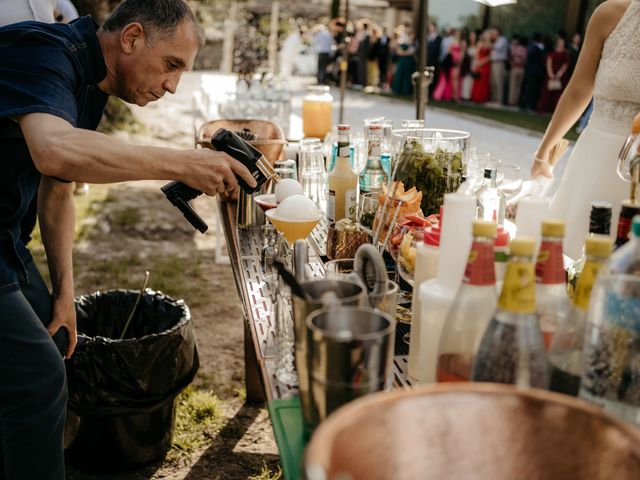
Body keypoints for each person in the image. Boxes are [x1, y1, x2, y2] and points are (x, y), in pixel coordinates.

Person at [0, 1, 257, 478]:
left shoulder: (90, 84)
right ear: (133, 37)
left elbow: (58, 193)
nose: (173, 85)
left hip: (8, 241)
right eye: (171, 65)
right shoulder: (43, 50)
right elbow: (54, 151)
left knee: (53, 341)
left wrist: (65, 295)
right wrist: (183, 163)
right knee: (37, 375)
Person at [530, 0, 640, 259]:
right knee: (567, 260)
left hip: (635, 174)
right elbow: (578, 91)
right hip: (595, 159)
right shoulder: (610, 14)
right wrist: (542, 153)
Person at [536, 36, 570, 113]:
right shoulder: (552, 53)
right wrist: (551, 75)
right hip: (551, 76)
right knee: (547, 93)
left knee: (559, 94)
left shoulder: (566, 54)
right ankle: (545, 109)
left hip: (561, 77)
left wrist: (559, 74)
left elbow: (565, 65)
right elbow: (549, 64)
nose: (560, 44)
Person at [519, 32, 546, 110]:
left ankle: (527, 103)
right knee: (530, 88)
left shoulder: (531, 46)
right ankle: (527, 104)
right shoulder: (535, 47)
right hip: (533, 71)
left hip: (531, 71)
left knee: (530, 88)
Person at [471, 31, 491, 103]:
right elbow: (477, 54)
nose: (488, 36)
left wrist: (482, 62)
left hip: (486, 64)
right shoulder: (480, 43)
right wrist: (477, 63)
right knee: (478, 80)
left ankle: (483, 98)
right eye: (487, 35)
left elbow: (490, 56)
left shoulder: (491, 45)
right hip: (479, 64)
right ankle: (476, 97)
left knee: (484, 80)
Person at [489, 27, 509, 104]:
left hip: (499, 63)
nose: (492, 34)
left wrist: (489, 42)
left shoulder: (502, 39)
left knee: (499, 82)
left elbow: (497, 47)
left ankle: (499, 100)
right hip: (493, 62)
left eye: (493, 32)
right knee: (493, 81)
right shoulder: (495, 41)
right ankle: (494, 98)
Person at [508, 35, 527, 106]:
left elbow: (510, 56)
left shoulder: (515, 48)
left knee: (513, 85)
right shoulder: (525, 49)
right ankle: (515, 101)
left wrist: (511, 63)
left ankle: (511, 101)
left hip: (515, 68)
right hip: (521, 68)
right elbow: (525, 59)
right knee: (518, 86)